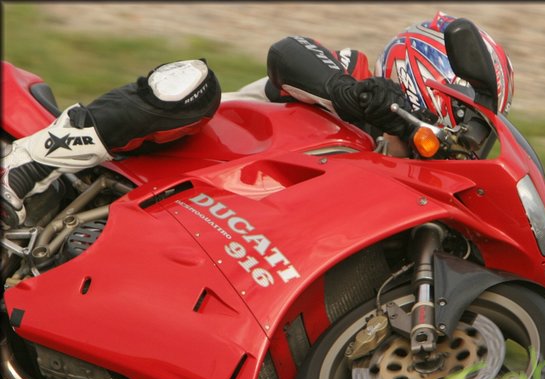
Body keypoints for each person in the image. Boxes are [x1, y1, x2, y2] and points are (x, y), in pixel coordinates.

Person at [1, 11, 514, 229]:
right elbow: (288, 53)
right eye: (468, 122)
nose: (468, 143)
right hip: (166, 158)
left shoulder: (405, 189)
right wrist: (352, 96)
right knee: (194, 84)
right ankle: (27, 163)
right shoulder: (355, 77)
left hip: (214, 231)